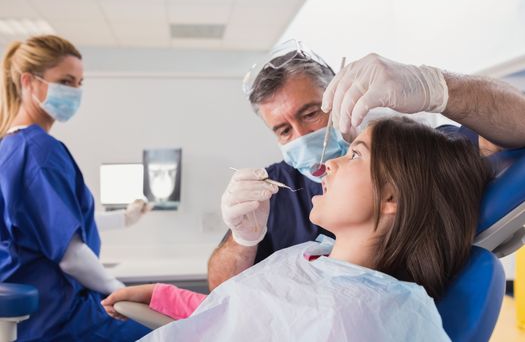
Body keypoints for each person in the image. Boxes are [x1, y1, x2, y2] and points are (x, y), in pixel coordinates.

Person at [102, 117, 491, 341]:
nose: (331, 164)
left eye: (354, 153)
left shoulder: (360, 317)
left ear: (392, 199)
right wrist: (164, 295)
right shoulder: (314, 258)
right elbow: (250, 319)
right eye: (281, 129)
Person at [208, 42, 525, 290]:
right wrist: (243, 238)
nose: (301, 137)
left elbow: (513, 131)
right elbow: (223, 295)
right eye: (283, 130)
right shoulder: (273, 188)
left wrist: (437, 87)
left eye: (309, 114)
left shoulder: (410, 157)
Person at [0, 35, 150, 341]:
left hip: (35, 317)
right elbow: (70, 254)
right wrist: (118, 289)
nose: (75, 92)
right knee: (173, 330)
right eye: (66, 81)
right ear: (29, 82)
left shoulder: (11, 147)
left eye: (80, 83)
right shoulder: (39, 151)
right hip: (60, 320)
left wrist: (124, 219)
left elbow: (48, 229)